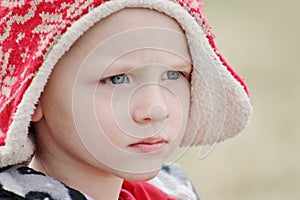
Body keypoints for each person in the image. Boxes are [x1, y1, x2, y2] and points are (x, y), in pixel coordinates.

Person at [0, 0, 252, 199]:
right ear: (32, 94)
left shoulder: (172, 190)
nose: (156, 109)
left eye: (173, 74)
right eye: (117, 79)